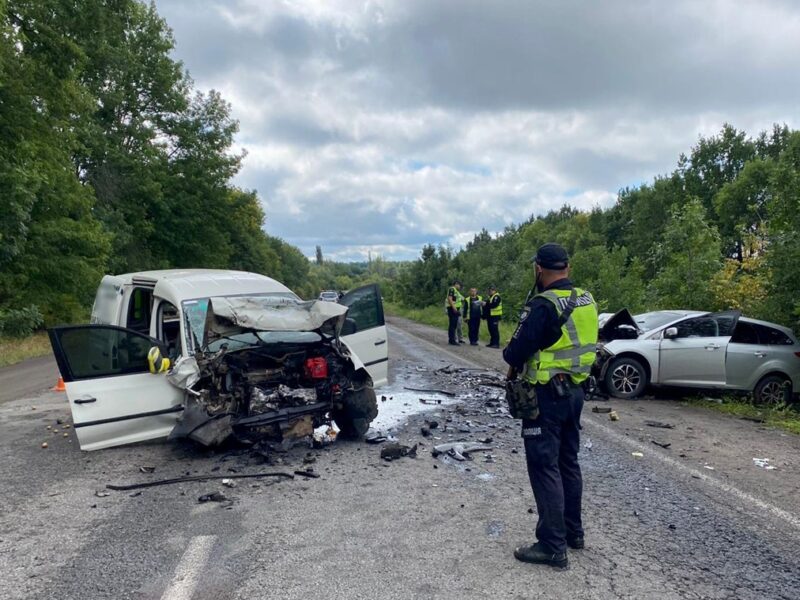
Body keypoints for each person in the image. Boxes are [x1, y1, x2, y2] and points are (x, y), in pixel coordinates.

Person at [502, 243, 598, 569]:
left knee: (545, 466)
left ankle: (552, 546)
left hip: (546, 395)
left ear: (538, 269)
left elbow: (514, 353)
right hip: (575, 393)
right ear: (567, 267)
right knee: (568, 462)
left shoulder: (542, 305)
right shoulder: (587, 299)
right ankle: (574, 533)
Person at [445, 280, 464, 346]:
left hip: (455, 309)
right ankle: (452, 340)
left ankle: (452, 339)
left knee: (454, 325)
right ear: (456, 284)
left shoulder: (456, 291)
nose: (460, 287)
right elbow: (450, 299)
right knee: (453, 325)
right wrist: (454, 308)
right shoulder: (452, 289)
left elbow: (461, 299)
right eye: (460, 285)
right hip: (453, 309)